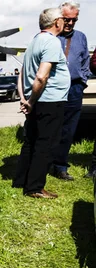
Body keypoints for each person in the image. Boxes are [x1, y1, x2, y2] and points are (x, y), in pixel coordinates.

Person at [13, 7, 70, 199]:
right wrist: (30, 100)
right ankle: (35, 187)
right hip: (49, 100)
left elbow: (22, 74)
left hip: (36, 101)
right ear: (56, 22)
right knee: (46, 144)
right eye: (63, 19)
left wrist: (24, 98)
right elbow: (41, 76)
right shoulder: (52, 42)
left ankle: (21, 180)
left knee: (31, 140)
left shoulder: (35, 41)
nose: (65, 22)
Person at [50, 1, 90, 181]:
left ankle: (60, 166)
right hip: (52, 88)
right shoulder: (49, 36)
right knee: (49, 127)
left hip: (74, 88)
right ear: (59, 18)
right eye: (66, 19)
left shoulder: (81, 37)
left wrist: (82, 81)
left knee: (68, 129)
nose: (70, 23)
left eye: (74, 20)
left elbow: (85, 61)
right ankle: (43, 163)